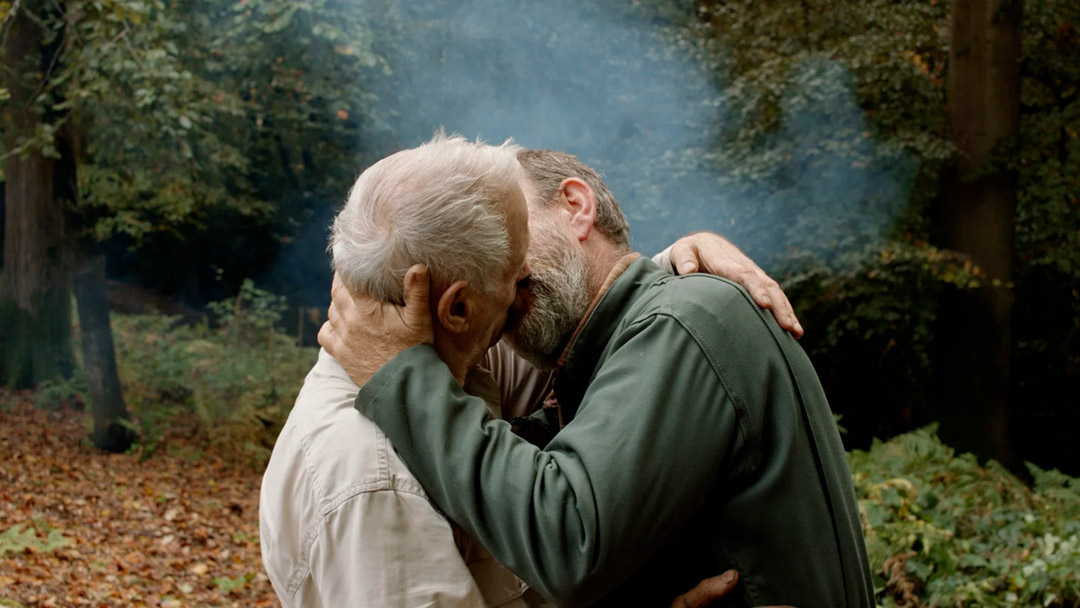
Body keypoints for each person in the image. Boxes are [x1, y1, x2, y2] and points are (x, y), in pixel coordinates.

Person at [260, 135, 801, 607]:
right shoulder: (372, 481)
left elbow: (589, 319)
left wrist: (665, 282)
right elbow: (566, 536)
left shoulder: (462, 364)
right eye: (515, 275)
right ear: (456, 309)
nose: (526, 280)